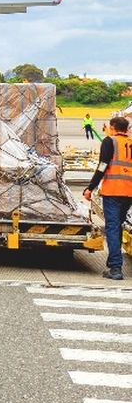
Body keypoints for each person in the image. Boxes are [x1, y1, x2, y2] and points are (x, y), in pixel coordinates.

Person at [85, 116, 132, 281]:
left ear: (112, 127)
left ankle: (115, 268)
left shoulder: (109, 141)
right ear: (126, 129)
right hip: (129, 193)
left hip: (113, 191)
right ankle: (114, 261)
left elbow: (102, 166)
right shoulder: (131, 142)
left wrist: (90, 187)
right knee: (117, 226)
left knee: (112, 227)